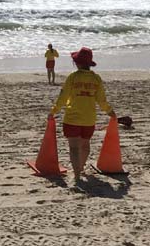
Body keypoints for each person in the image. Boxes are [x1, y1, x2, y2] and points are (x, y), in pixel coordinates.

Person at [49, 47, 115, 183]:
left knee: (74, 148)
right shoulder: (96, 79)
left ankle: (77, 175)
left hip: (72, 118)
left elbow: (63, 97)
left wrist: (53, 111)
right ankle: (81, 167)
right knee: (85, 145)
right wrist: (110, 112)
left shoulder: (73, 77)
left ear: (77, 63)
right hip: (89, 119)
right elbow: (101, 100)